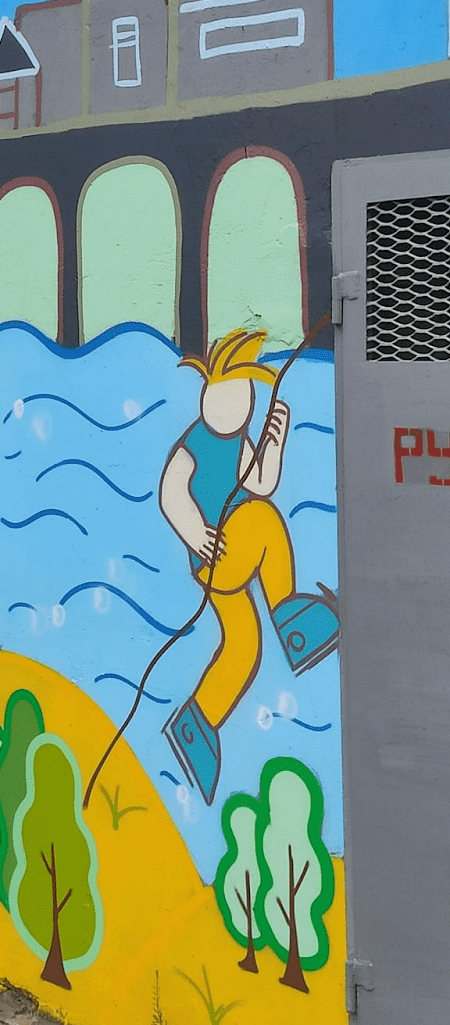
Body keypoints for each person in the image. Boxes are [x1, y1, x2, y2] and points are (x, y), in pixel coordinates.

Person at [160, 329, 338, 804]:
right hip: (218, 555)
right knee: (263, 520)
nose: (237, 406)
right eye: (228, 393)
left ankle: (198, 724)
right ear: (207, 393)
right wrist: (196, 533)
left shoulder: (239, 442)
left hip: (224, 559)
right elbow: (173, 494)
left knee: (243, 646)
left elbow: (259, 480)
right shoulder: (194, 444)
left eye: (244, 396)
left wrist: (274, 441)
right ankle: (290, 618)